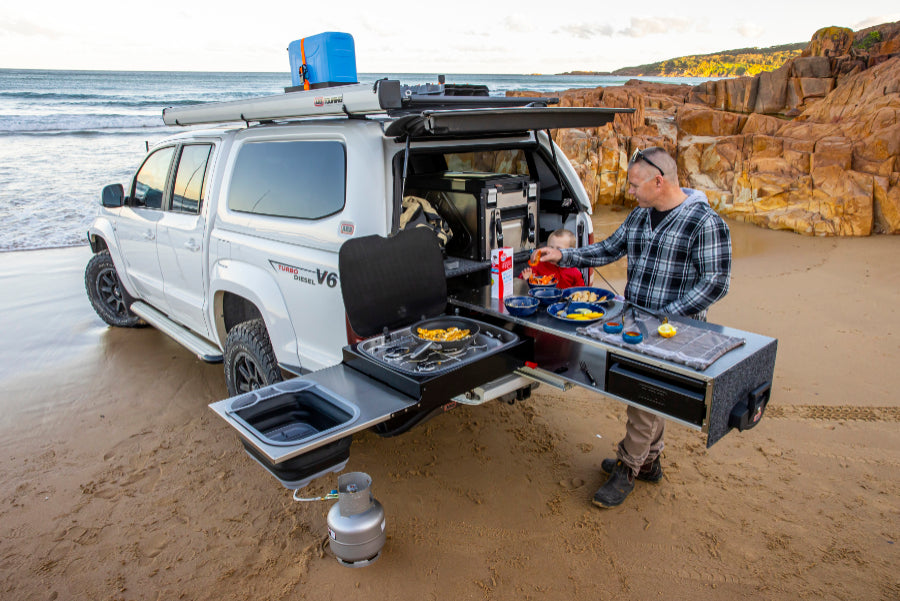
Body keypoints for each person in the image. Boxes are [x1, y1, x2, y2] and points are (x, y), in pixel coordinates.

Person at [529, 147, 732, 508]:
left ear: (660, 181)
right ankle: (650, 460)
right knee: (653, 394)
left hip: (673, 329)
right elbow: (608, 249)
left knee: (642, 394)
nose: (630, 192)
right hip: (635, 321)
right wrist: (565, 255)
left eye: (636, 185)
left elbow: (715, 282)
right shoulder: (641, 217)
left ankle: (627, 466)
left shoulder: (704, 222)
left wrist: (668, 314)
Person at [519, 228, 585, 289]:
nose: (552, 252)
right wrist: (527, 278)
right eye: (550, 247)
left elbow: (581, 290)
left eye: (559, 249)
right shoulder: (540, 265)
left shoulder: (574, 271)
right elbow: (524, 280)